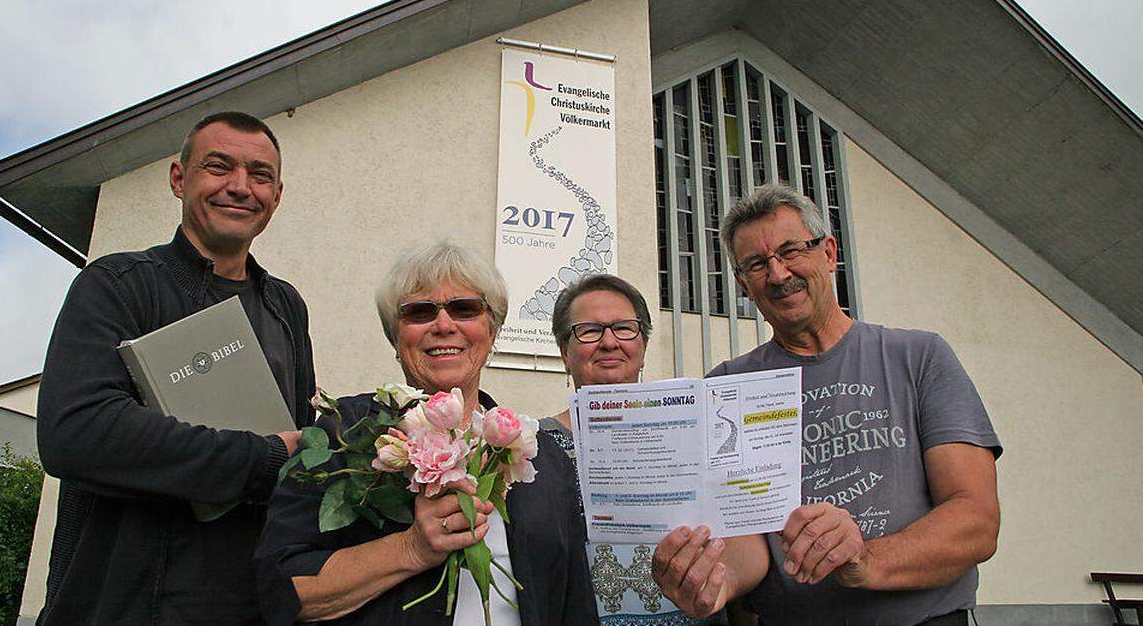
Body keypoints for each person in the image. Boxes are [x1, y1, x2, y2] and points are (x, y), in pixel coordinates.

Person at [652, 185, 1001, 626]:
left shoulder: (918, 357)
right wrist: (715, 582)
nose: (778, 275)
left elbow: (975, 517)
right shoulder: (726, 387)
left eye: (791, 251)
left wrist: (866, 559)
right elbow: (745, 536)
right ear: (742, 284)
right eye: (757, 264)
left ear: (829, 252)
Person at [36, 111, 315, 624]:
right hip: (122, 604)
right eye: (218, 166)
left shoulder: (286, 308)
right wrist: (264, 458)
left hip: (244, 604)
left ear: (276, 197)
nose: (240, 187)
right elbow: (76, 433)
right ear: (178, 178)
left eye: (260, 175)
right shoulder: (118, 284)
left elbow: (301, 437)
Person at [255, 242, 597, 625]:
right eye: (419, 312)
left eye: (465, 308)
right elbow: (282, 590)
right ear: (395, 340)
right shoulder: (345, 431)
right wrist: (410, 549)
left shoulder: (540, 454)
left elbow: (574, 604)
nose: (443, 325)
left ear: (493, 332)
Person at [542, 274, 746, 625]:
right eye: (589, 330)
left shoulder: (701, 430)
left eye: (624, 328)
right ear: (564, 351)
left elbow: (742, 530)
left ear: (644, 345)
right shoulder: (533, 448)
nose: (609, 342)